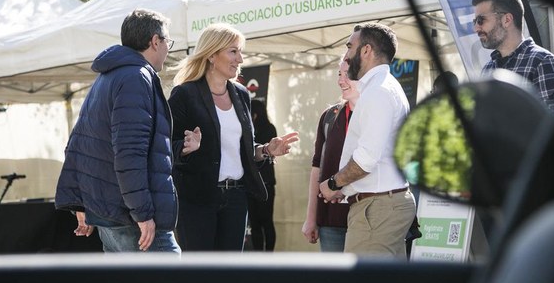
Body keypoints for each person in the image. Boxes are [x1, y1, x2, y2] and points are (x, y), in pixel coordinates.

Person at [55, 8, 181, 254]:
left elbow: (80, 143)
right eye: (167, 41)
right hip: (131, 218)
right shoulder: (135, 77)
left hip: (111, 213)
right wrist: (143, 214)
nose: (168, 48)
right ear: (155, 41)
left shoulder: (108, 77)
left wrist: (80, 203)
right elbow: (128, 154)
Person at [168, 23, 299, 251]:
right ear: (211, 55)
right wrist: (186, 146)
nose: (240, 59)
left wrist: (267, 149)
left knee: (230, 275)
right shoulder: (184, 94)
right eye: (233, 51)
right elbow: (165, 145)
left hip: (236, 198)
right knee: (200, 274)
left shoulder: (241, 94)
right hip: (197, 199)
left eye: (240, 51)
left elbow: (243, 149)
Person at [319, 23, 415, 257]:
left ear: (366, 50)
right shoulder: (380, 88)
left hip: (378, 209)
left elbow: (366, 160)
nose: (347, 55)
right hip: (381, 205)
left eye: (350, 47)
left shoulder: (378, 91)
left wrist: (333, 183)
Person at [472, 0, 554, 110]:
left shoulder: (542, 61)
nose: (476, 28)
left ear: (507, 20)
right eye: (474, 21)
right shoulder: (488, 69)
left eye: (480, 20)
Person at [302, 59, 357, 252]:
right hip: (331, 220)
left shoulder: (373, 113)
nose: (341, 80)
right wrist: (311, 218)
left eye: (347, 74)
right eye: (339, 74)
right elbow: (317, 168)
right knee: (335, 282)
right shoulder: (329, 116)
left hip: (366, 219)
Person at [247, 99, 278, 251]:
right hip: (253, 183)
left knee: (265, 221)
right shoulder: (250, 130)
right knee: (256, 223)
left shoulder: (268, 129)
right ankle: (260, 255)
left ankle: (268, 255)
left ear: (255, 114)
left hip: (265, 182)